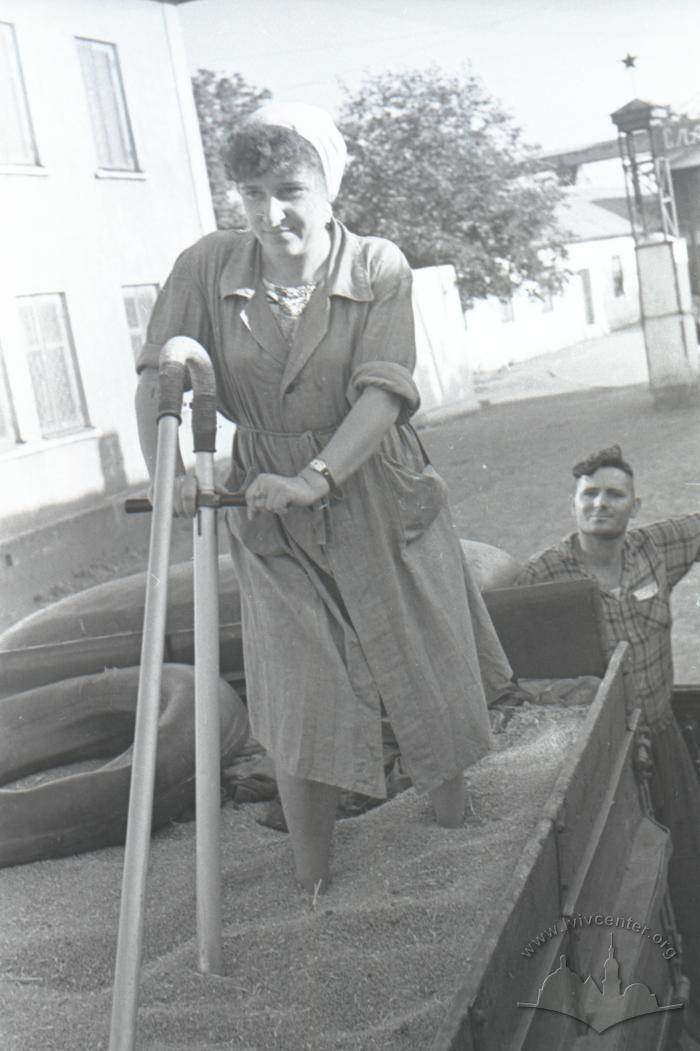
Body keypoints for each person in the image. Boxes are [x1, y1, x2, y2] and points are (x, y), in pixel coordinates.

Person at [134, 102, 511, 894]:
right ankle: (314, 881)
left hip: (374, 475)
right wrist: (160, 467)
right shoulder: (207, 266)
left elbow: (384, 392)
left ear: (329, 186)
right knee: (297, 685)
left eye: (289, 189)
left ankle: (455, 825)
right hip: (268, 501)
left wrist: (318, 476)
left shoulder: (377, 265)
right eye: (249, 194)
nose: (270, 214)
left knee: (416, 655)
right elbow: (159, 372)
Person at [516, 444, 700, 1041]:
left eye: (613, 494)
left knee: (688, 868)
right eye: (589, 494)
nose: (600, 503)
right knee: (624, 892)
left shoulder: (658, 547)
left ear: (634, 504)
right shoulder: (543, 577)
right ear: (573, 505)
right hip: (603, 762)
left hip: (664, 737)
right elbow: (498, 647)